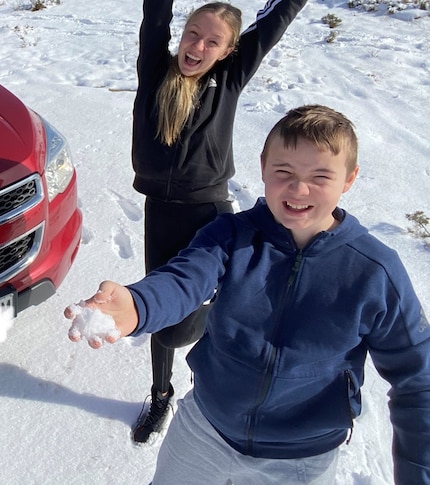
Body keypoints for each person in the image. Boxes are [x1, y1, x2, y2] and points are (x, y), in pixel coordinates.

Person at [66, 105, 430, 483]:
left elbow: (419, 380)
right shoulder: (231, 235)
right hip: (204, 430)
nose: (299, 189)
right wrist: (138, 305)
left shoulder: (374, 271)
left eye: (320, 176)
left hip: (302, 459)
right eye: (283, 172)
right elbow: (184, 279)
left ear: (349, 179)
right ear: (262, 166)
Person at [129, 0, 308, 443]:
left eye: (213, 41)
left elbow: (276, 19)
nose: (198, 46)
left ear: (228, 52)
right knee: (164, 317)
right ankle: (160, 393)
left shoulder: (227, 79)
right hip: (161, 212)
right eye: (193, 34)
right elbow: (155, 14)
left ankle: (211, 385)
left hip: (209, 216)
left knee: (211, 310)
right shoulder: (155, 71)